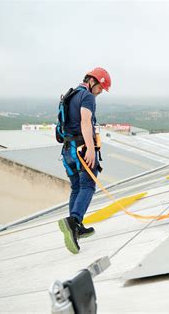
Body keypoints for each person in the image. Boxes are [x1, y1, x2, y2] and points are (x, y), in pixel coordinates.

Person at [58, 67, 111, 254]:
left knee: (76, 188)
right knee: (88, 186)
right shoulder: (87, 97)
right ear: (93, 82)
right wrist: (90, 148)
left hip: (67, 150)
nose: (100, 92)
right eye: (101, 88)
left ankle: (75, 225)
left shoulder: (70, 95)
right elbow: (85, 122)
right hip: (81, 149)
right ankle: (74, 221)